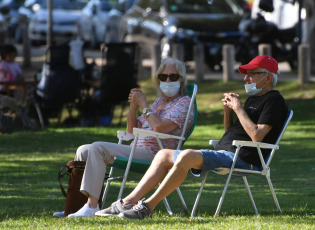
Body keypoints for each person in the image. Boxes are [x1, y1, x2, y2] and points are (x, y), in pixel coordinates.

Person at [96, 55, 289, 220]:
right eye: (246, 74)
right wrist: (228, 111)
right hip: (225, 152)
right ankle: (127, 202)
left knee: (186, 155)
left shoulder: (274, 100)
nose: (246, 78)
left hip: (243, 159)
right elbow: (231, 131)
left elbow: (256, 136)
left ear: (267, 77)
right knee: (163, 154)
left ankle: (147, 207)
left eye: (252, 74)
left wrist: (238, 108)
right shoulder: (253, 99)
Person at [53, 57, 195, 217]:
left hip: (156, 154)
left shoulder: (184, 102)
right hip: (136, 147)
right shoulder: (158, 102)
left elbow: (160, 126)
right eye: (163, 77)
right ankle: (75, 207)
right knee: (83, 150)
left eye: (173, 77)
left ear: (181, 81)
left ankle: (92, 207)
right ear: (158, 80)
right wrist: (134, 106)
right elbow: (130, 131)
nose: (167, 80)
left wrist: (144, 105)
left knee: (97, 148)